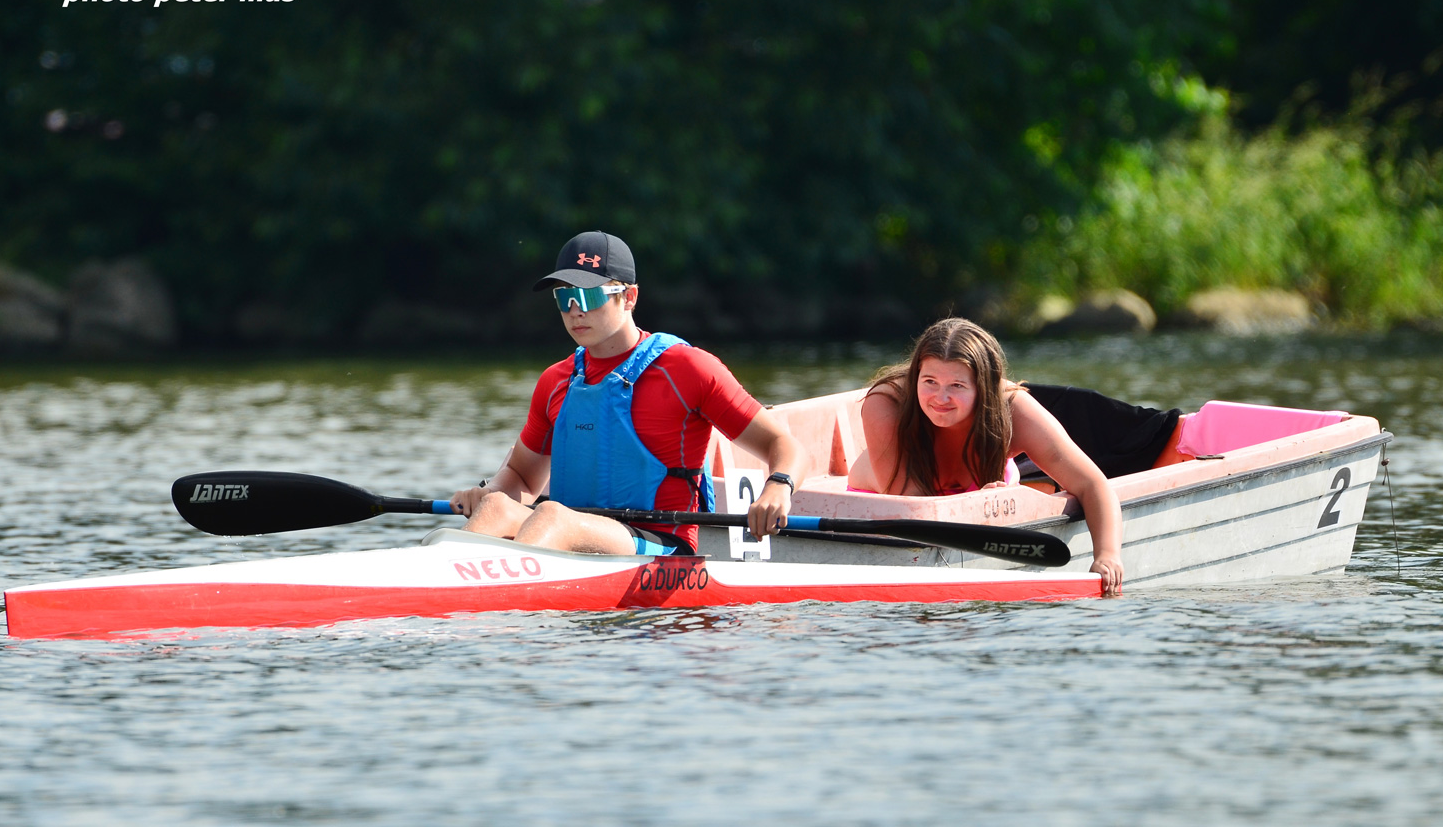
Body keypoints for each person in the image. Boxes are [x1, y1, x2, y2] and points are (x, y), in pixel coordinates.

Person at [450, 230, 807, 556]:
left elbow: (785, 444)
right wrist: (489, 490)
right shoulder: (555, 380)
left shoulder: (689, 369)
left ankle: (493, 598)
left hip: (662, 545)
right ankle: (452, 601)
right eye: (565, 298)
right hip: (569, 533)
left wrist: (779, 486)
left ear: (630, 297)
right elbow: (523, 477)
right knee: (497, 507)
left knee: (552, 516)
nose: (576, 311)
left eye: (589, 295)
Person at [847, 317, 1125, 589]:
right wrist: (978, 504)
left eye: (957, 386)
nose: (940, 398)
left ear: (984, 388)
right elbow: (917, 512)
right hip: (896, 512)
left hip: (975, 513)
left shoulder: (1013, 409)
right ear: (915, 376)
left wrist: (1107, 556)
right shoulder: (886, 403)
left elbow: (1091, 484)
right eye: (929, 381)